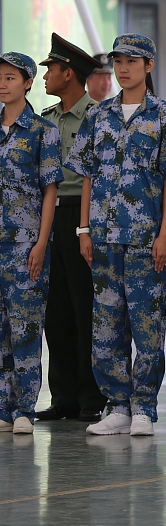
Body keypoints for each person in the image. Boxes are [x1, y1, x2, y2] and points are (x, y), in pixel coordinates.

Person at [68, 34, 166, 437]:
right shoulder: (98, 117)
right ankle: (117, 405)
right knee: (107, 324)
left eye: (132, 61)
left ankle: (144, 408)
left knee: (147, 324)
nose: (123, 68)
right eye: (118, 61)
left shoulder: (165, 117)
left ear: (149, 66)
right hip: (103, 237)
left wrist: (165, 232)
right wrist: (84, 228)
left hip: (144, 237)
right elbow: (87, 176)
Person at [36, 34, 105, 423]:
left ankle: (90, 396)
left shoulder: (97, 117)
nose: (46, 75)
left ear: (69, 73)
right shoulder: (45, 120)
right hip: (49, 214)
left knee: (86, 308)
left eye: (51, 69)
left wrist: (87, 227)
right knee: (55, 309)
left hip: (85, 213)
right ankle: (61, 396)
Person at [0, 52, 62, 434]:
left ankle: (24, 407)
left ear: (26, 83)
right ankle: (3, 406)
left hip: (25, 244)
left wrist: (41, 242)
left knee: (25, 327)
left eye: (10, 77)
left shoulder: (42, 131)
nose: (3, 83)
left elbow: (50, 192)